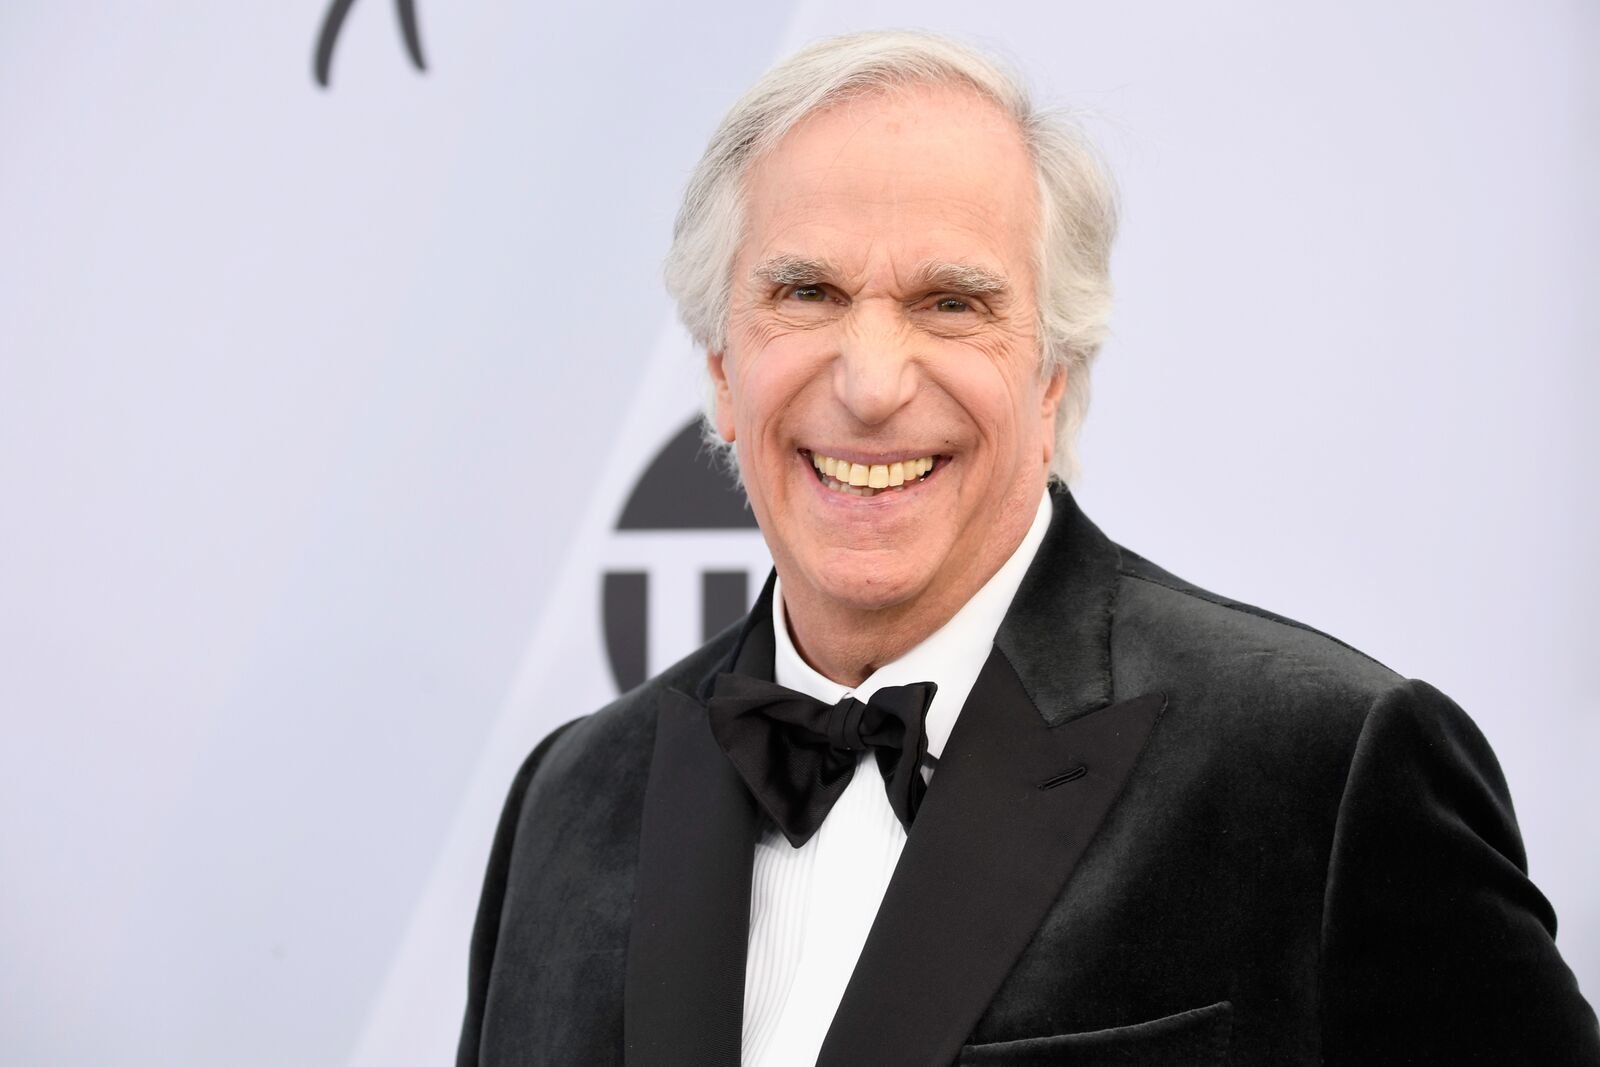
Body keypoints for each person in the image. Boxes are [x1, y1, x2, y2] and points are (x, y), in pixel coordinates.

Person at [457, 30, 1598, 1066]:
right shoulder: (571, 797)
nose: (869, 383)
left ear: (1052, 376)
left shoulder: (1323, 766)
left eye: (951, 304)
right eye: (805, 291)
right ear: (720, 367)